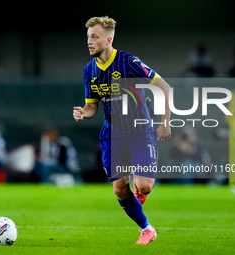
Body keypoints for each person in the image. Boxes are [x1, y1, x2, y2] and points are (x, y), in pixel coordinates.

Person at [73, 16, 171, 245]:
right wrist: (82, 112)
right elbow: (92, 106)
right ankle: (147, 229)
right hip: (112, 133)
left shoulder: (129, 62)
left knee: (145, 185)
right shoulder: (89, 71)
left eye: (94, 37)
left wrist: (165, 122)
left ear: (108, 40)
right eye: (88, 37)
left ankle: (139, 191)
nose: (89, 41)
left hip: (139, 129)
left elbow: (164, 87)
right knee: (119, 189)